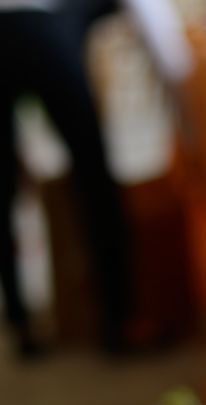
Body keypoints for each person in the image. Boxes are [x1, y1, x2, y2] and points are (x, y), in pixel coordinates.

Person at [0, 0, 190, 358]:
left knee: (3, 191)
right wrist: (190, 118)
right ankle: (120, 323)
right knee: (94, 178)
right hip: (40, 29)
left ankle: (20, 324)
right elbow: (157, 28)